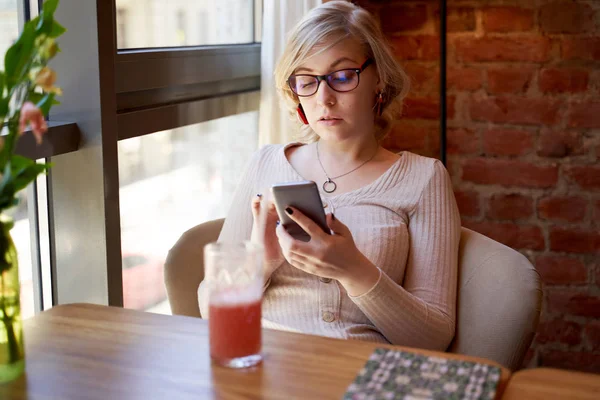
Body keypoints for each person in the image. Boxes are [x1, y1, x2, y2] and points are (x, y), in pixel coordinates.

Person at [199, 0, 461, 351]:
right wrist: (260, 263)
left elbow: (434, 338)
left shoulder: (423, 178)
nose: (324, 99)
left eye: (341, 77)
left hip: (353, 372)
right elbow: (207, 309)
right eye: (307, 80)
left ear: (378, 79)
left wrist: (353, 269)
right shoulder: (265, 162)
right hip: (257, 363)